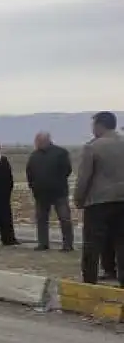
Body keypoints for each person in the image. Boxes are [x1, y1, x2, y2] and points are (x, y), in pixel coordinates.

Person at [73, 111, 124, 285]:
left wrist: (78, 199)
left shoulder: (92, 147)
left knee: (92, 244)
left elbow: (84, 177)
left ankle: (89, 280)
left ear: (100, 125)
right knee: (121, 242)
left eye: (93, 125)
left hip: (98, 202)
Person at [25, 131, 74, 251]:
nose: (37, 143)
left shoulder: (60, 153)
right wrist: (33, 186)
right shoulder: (34, 156)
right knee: (42, 219)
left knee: (64, 218)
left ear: (46, 140)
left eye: (39, 141)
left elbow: (67, 170)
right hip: (41, 194)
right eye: (36, 141)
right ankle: (43, 243)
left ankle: (67, 244)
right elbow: (29, 172)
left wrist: (56, 182)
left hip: (59, 193)